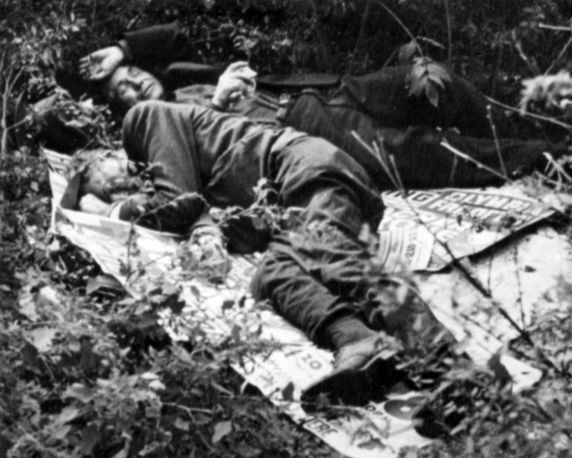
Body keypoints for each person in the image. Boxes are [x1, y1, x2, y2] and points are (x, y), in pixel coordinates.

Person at [72, 99, 452, 406]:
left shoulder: (143, 119)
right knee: (271, 275)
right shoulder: (172, 166)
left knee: (330, 254)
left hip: (302, 166)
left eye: (101, 185)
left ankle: (449, 365)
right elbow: (201, 208)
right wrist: (213, 232)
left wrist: (109, 211)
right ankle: (355, 338)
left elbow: (178, 200)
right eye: (111, 195)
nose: (117, 193)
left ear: (105, 155)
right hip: (292, 197)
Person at [78, 22, 569, 190]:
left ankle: (534, 125)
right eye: (121, 90)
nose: (134, 84)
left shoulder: (185, 76)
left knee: (435, 80)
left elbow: (177, 36)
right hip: (304, 128)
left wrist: (122, 50)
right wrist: (226, 107)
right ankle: (548, 158)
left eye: (135, 74)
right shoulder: (163, 127)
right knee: (417, 153)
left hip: (334, 90)